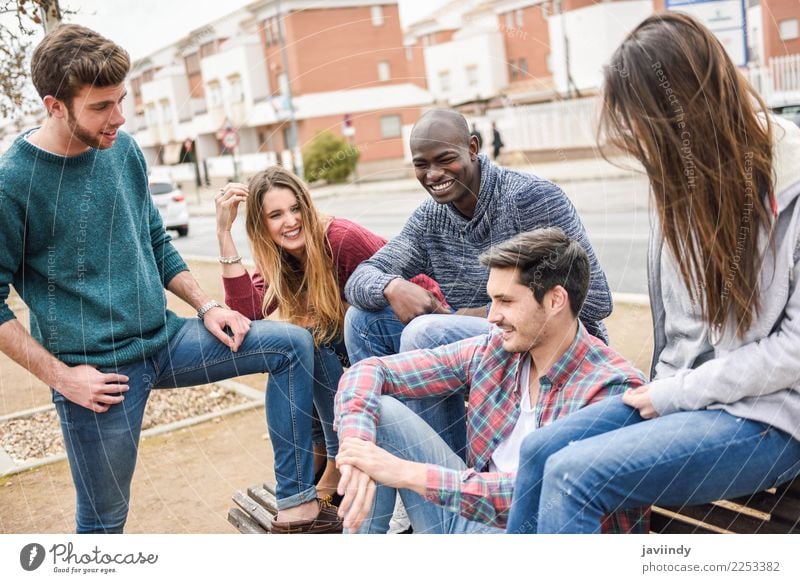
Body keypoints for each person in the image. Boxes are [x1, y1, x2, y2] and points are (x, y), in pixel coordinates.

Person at [0, 24, 337, 534]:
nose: (119, 117)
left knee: (290, 345)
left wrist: (207, 307)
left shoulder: (123, 149)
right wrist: (62, 377)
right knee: (102, 524)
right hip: (99, 376)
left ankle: (296, 504)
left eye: (121, 100)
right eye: (100, 107)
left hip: (168, 338)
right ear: (55, 106)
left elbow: (156, 242)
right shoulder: (13, 183)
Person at [506, 12, 800, 534]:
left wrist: (672, 395)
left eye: (640, 120)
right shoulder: (689, 181)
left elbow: (792, 353)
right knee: (539, 451)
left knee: (575, 475)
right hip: (688, 394)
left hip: (768, 418)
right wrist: (665, 388)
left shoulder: (790, 189)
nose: (633, 136)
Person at [334, 229, 647, 533]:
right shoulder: (497, 351)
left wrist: (405, 473)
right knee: (377, 415)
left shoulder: (609, 391)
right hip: (467, 519)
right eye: (491, 301)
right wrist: (357, 446)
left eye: (505, 301)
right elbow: (371, 371)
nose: (491, 316)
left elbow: (538, 497)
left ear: (555, 301)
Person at [344, 109, 612, 458]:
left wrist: (486, 310)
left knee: (424, 334)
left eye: (445, 159)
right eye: (421, 164)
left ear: (472, 148)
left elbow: (595, 301)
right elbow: (360, 278)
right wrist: (393, 286)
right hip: (489, 345)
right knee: (363, 322)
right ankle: (404, 467)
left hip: (557, 347)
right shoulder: (431, 218)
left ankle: (448, 480)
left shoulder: (529, 198)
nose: (433, 174)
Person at [215, 166, 445, 506]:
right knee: (293, 344)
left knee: (312, 337)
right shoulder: (280, 257)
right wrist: (224, 233)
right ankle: (319, 449)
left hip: (406, 335)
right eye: (275, 215)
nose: (290, 221)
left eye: (295, 209)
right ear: (262, 226)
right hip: (355, 347)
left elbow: (401, 291)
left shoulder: (340, 239)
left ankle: (337, 457)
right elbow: (247, 314)